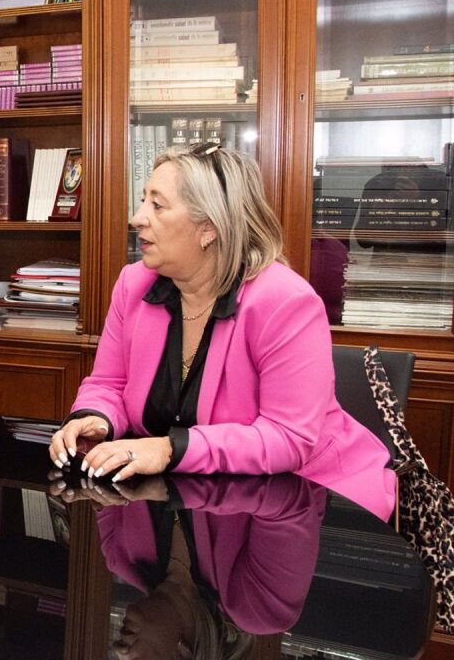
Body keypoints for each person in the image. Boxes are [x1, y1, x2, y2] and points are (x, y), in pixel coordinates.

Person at [48, 142, 396, 520]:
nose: (137, 218)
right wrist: (97, 418)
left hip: (308, 502)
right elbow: (109, 383)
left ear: (209, 228)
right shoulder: (134, 284)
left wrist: (169, 449)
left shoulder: (286, 302)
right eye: (143, 200)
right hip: (189, 501)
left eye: (157, 205)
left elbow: (288, 438)